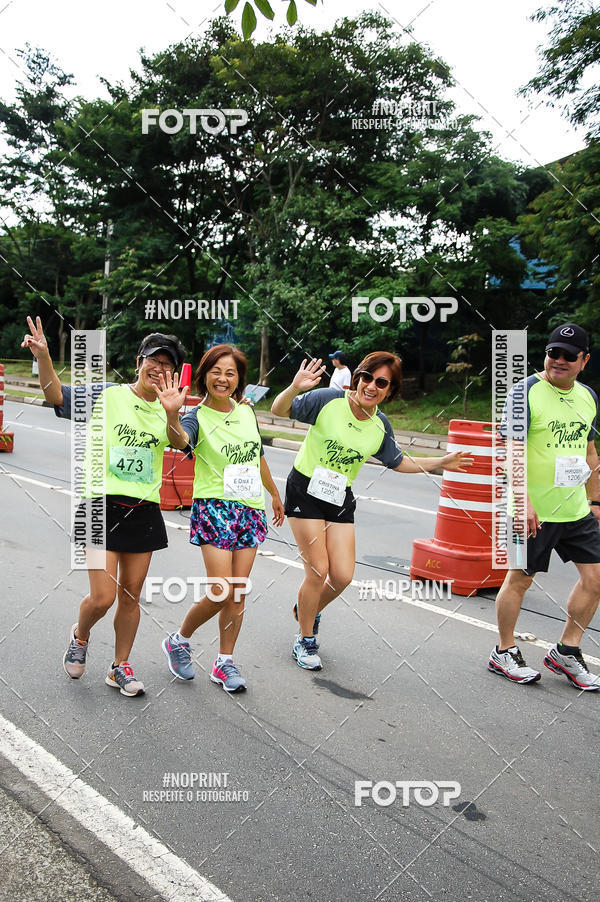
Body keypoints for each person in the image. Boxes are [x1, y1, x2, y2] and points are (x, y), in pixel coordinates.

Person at [271, 352, 472, 671]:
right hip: (305, 489)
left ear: (389, 391)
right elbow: (278, 410)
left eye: (381, 382)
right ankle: (305, 638)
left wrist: (440, 463)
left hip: (339, 495)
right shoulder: (328, 400)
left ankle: (306, 609)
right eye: (367, 377)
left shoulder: (380, 425)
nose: (371, 386)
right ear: (358, 377)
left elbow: (398, 461)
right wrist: (294, 388)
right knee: (318, 570)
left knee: (343, 576)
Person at [21, 316, 188, 697]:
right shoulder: (108, 395)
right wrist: (45, 356)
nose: (159, 370)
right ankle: (80, 636)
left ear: (174, 375)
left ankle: (120, 667)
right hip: (100, 505)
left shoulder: (171, 406)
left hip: (143, 510)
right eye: (153, 361)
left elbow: (180, 443)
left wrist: (172, 412)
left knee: (131, 595)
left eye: (167, 366)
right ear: (138, 362)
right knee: (103, 596)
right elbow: (56, 396)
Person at [160, 344, 284, 692]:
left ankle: (224, 662)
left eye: (230, 373)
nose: (223, 378)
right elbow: (180, 440)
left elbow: (256, 455)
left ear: (239, 380)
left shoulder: (246, 411)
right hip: (214, 507)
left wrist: (274, 493)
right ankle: (179, 640)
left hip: (249, 508)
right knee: (220, 590)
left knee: (238, 592)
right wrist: (172, 415)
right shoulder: (196, 416)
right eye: (216, 371)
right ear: (204, 375)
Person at [489, 323, 600, 690]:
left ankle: (567, 651)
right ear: (546, 354)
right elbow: (509, 451)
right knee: (520, 580)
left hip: (575, 510)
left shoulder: (588, 397)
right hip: (529, 509)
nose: (560, 361)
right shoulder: (525, 392)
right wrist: (523, 501)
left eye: (570, 355)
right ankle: (504, 651)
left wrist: (595, 499)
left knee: (596, 579)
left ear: (584, 360)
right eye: (554, 353)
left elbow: (588, 450)